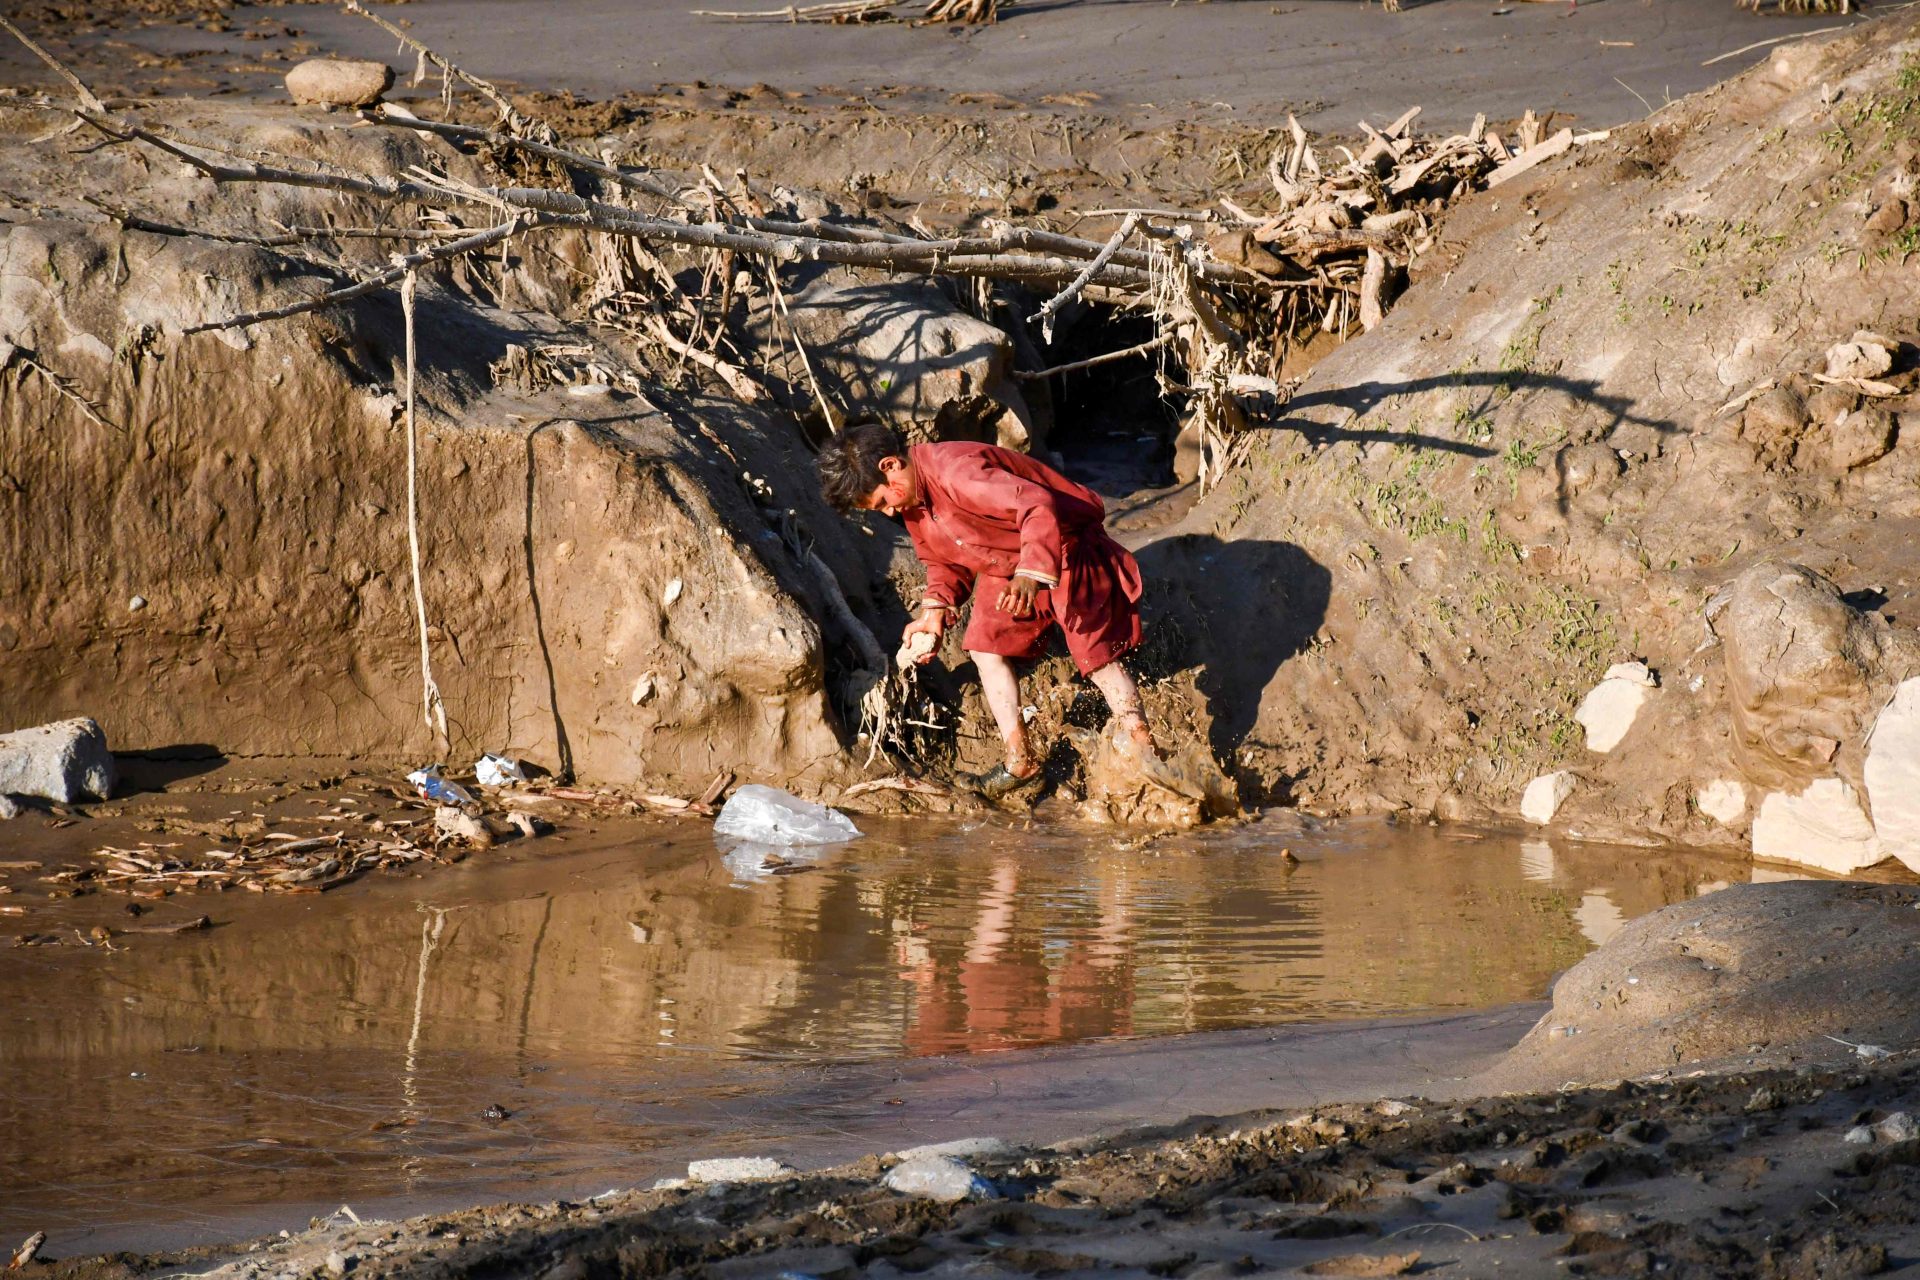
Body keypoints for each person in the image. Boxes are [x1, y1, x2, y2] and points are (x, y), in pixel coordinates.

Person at [817, 422, 1157, 800]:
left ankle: (1145, 753)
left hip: (1065, 544)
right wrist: (934, 610)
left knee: (1096, 656)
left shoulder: (956, 471)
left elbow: (1035, 504)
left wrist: (1030, 573)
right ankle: (1019, 760)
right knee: (984, 647)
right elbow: (941, 561)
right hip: (1010, 564)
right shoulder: (913, 501)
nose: (890, 511)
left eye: (883, 502)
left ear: (890, 465)